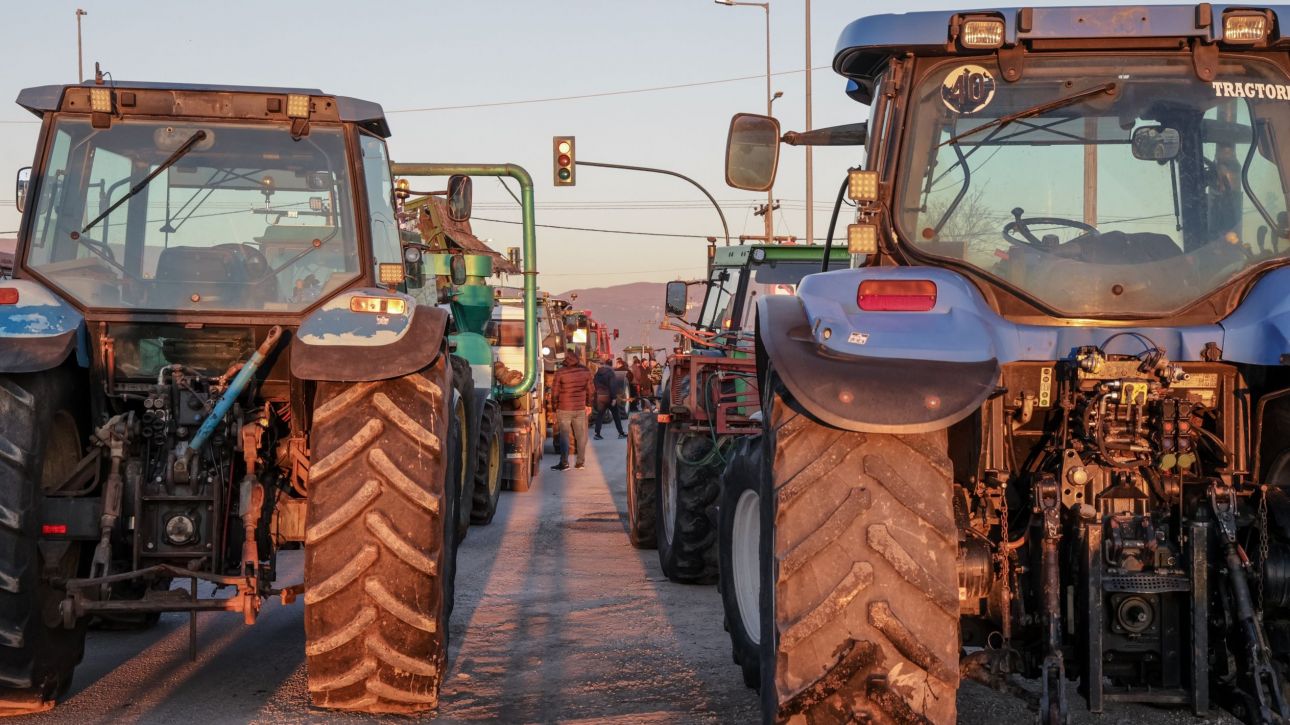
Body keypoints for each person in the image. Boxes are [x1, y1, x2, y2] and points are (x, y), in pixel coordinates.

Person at [550, 350, 594, 471]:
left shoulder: (560, 372)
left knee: (564, 436)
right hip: (580, 408)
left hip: (563, 408)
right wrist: (589, 405)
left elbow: (554, 393)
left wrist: (554, 408)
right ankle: (580, 463)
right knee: (581, 436)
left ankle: (564, 463)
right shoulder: (585, 371)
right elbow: (591, 390)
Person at [593, 360, 627, 440]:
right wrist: (614, 398)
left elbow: (595, 385)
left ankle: (597, 434)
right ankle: (621, 433)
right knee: (616, 415)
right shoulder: (610, 373)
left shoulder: (597, 374)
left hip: (600, 397)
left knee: (600, 415)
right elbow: (613, 386)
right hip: (609, 397)